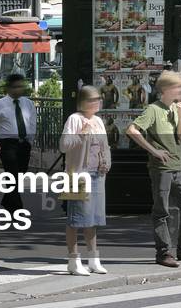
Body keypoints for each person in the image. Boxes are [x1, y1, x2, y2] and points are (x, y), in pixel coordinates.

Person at [126, 70, 181, 268]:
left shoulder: (174, 108)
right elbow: (131, 130)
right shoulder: (153, 109)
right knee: (161, 211)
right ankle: (163, 253)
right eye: (177, 87)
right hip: (161, 168)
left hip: (177, 167)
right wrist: (154, 151)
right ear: (166, 89)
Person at [60, 85, 111, 276]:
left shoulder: (98, 120)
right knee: (76, 218)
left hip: (98, 173)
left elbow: (105, 146)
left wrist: (107, 164)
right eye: (92, 99)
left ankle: (93, 259)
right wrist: (80, 134)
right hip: (78, 174)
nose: (97, 102)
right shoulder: (74, 119)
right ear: (83, 102)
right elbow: (64, 145)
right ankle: (73, 260)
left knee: (93, 218)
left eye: (98, 98)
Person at [0, 73, 36, 212]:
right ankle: (16, 208)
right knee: (12, 173)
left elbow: (32, 123)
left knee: (19, 174)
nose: (18, 90)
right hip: (7, 143)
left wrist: (30, 141)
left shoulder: (28, 103)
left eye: (20, 86)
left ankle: (8, 201)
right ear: (8, 88)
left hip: (24, 143)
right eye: (15, 87)